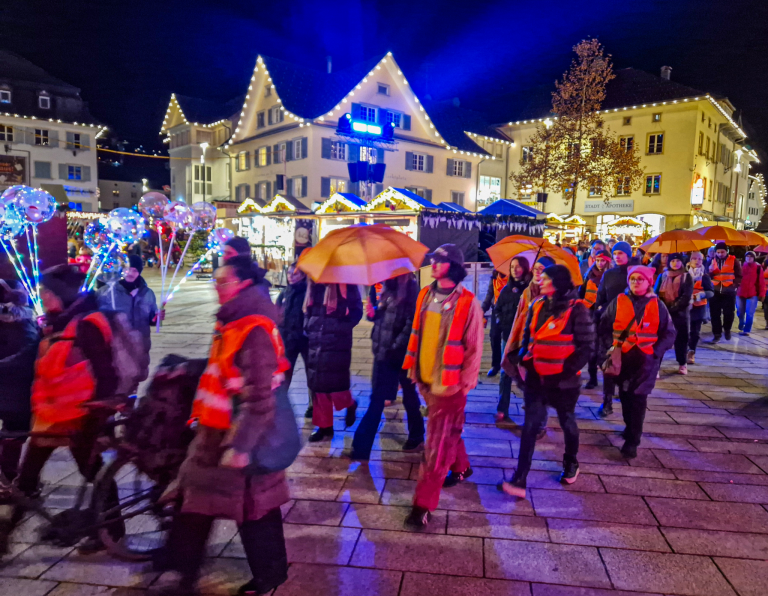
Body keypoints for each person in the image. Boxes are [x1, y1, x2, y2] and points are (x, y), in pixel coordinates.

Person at [160, 256, 291, 596]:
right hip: (213, 434)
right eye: (215, 282)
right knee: (196, 504)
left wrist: (242, 447)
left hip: (238, 437)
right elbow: (223, 369)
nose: (217, 288)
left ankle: (269, 575)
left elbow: (260, 396)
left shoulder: (254, 329)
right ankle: (181, 570)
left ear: (244, 285)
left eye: (223, 282)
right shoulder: (232, 322)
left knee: (254, 509)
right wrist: (188, 369)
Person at [16, 264, 124, 553]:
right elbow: (28, 359)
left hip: (79, 416)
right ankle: (6, 534)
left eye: (47, 292)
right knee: (26, 478)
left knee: (95, 474)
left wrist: (97, 414)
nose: (43, 297)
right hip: (50, 416)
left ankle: (113, 530)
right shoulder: (56, 322)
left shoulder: (87, 324)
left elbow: (107, 373)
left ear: (61, 294)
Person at [402, 244, 483, 528]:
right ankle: (462, 467)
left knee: (435, 447)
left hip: (450, 387)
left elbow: (474, 348)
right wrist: (413, 369)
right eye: (433, 259)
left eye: (441, 260)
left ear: (455, 266)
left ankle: (422, 505)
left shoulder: (468, 302)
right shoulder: (425, 294)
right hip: (425, 379)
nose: (433, 264)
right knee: (447, 432)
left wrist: (465, 384)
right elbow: (417, 331)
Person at [498, 265, 594, 498]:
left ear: (559, 283)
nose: (541, 280)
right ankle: (520, 478)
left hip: (564, 383)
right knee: (530, 427)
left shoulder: (577, 309)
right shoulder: (537, 305)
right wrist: (522, 359)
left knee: (567, 422)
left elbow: (587, 347)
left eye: (547, 278)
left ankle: (571, 462)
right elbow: (529, 338)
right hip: (536, 379)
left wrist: (565, 371)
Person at [598, 266, 676, 458]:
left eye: (640, 279)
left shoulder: (658, 305)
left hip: (646, 360)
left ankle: (633, 440)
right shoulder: (619, 301)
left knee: (639, 398)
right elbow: (604, 326)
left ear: (649, 282)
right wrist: (609, 348)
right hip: (622, 357)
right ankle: (629, 426)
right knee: (625, 395)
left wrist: (655, 352)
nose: (635, 282)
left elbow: (669, 333)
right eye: (632, 279)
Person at [350, 273, 424, 459]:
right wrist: (374, 313)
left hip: (399, 354)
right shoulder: (387, 287)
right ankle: (361, 448)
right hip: (383, 353)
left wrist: (395, 347)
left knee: (407, 395)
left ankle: (415, 436)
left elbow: (411, 324)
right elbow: (383, 316)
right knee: (379, 398)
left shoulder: (410, 288)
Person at [304, 280, 363, 442]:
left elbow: (357, 311)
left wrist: (339, 328)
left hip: (338, 342)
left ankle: (350, 404)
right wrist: (308, 326)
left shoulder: (347, 284)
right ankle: (325, 427)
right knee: (319, 386)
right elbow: (307, 310)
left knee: (336, 385)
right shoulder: (313, 285)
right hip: (316, 339)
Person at [0, 281, 39, 484]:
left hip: (8, 384)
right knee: (16, 431)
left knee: (12, 430)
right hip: (17, 387)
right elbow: (29, 353)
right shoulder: (24, 323)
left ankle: (9, 477)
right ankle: (8, 479)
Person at [594, 241, 635, 417]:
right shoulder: (609, 274)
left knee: (627, 366)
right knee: (608, 364)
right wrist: (601, 310)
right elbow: (601, 296)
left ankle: (626, 399)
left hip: (630, 326)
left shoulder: (635, 272)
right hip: (609, 324)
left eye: (621, 253)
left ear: (628, 255)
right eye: (615, 253)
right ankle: (607, 402)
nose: (617, 256)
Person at [97, 254, 159, 356]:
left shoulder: (147, 293)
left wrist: (156, 318)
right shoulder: (106, 292)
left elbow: (151, 318)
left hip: (140, 348)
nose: (131, 273)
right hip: (116, 348)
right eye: (128, 269)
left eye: (135, 271)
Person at [495, 257, 531, 423]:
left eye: (518, 266)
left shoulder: (530, 291)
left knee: (526, 373)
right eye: (512, 266)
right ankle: (502, 408)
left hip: (525, 339)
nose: (515, 269)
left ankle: (530, 406)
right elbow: (498, 309)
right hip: (508, 337)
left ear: (525, 268)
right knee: (505, 372)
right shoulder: (506, 289)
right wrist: (502, 324)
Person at [276, 262, 311, 417]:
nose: (291, 276)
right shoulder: (284, 293)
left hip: (305, 339)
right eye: (289, 273)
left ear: (303, 275)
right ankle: (281, 405)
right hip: (288, 338)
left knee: (312, 374)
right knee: (285, 373)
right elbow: (277, 314)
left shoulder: (309, 292)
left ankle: (313, 405)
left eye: (295, 273)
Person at [654, 253, 693, 375]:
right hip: (664, 313)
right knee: (660, 339)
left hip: (680, 313)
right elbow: (656, 293)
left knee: (681, 339)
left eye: (677, 261)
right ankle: (656, 367)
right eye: (672, 261)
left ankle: (682, 363)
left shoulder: (687, 277)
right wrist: (664, 308)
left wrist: (675, 307)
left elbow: (686, 295)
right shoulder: (663, 276)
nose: (675, 263)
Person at [580, 249, 612, 388]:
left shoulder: (611, 276)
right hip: (590, 314)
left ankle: (609, 380)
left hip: (605, 315)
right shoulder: (589, 275)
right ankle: (592, 378)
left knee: (605, 349)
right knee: (591, 349)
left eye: (603, 260)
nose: (599, 263)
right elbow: (581, 293)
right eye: (597, 260)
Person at [707, 242, 742, 342]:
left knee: (728, 313)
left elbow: (739, 274)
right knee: (714, 314)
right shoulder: (712, 261)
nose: (720, 254)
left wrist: (735, 285)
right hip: (715, 291)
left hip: (729, 291)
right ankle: (717, 334)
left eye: (722, 252)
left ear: (726, 251)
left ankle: (727, 329)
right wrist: (709, 272)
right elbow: (707, 274)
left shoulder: (733, 260)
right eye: (718, 252)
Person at [686, 252, 714, 364]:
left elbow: (711, 292)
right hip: (685, 307)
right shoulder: (683, 275)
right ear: (690, 260)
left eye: (699, 259)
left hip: (698, 307)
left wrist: (701, 295)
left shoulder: (705, 276)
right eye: (694, 258)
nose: (697, 261)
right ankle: (683, 348)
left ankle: (691, 351)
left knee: (695, 332)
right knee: (684, 331)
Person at [482, 270, 508, 377]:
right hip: (496, 310)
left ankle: (508, 365)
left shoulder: (513, 279)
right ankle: (495, 365)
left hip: (509, 311)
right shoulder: (494, 278)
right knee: (494, 336)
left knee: (508, 339)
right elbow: (489, 295)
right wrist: (482, 310)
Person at [736, 251, 765, 336]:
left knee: (750, 313)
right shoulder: (740, 266)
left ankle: (747, 330)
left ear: (754, 258)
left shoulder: (758, 268)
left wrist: (762, 294)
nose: (749, 258)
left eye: (751, 257)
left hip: (752, 294)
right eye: (747, 256)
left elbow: (761, 282)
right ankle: (741, 322)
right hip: (740, 293)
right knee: (740, 311)